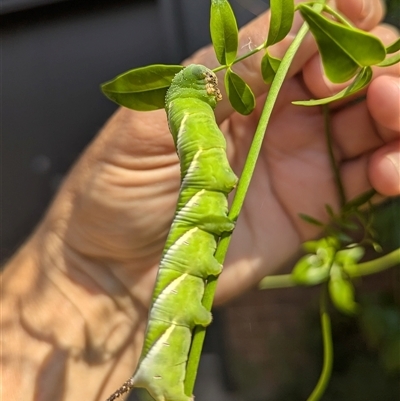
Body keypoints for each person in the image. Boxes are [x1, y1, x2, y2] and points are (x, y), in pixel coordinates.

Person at [2, 0, 399, 399]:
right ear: (193, 103)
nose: (218, 84)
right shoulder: (199, 141)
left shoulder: (205, 142)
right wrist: (96, 269)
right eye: (207, 85)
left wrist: (99, 275)